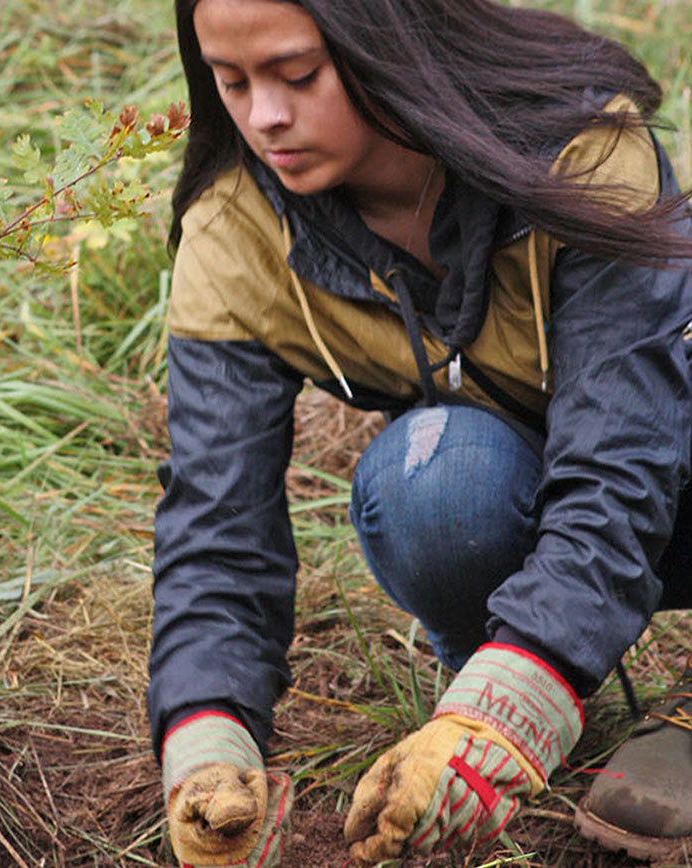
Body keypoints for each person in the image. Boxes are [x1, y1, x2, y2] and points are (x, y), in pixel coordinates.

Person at [147, 0, 692, 864]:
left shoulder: (578, 150)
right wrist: (206, 746)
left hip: (666, 462)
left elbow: (622, 463)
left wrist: (512, 713)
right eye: (232, 81)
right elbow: (216, 525)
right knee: (433, 487)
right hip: (540, 492)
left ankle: (560, 693)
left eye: (297, 75)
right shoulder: (236, 232)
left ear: (390, 41)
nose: (265, 117)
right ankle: (498, 686)